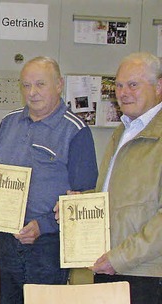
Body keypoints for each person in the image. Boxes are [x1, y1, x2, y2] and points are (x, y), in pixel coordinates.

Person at [0, 56, 98, 304]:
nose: (32, 93)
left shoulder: (75, 131)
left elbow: (83, 198)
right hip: (9, 241)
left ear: (59, 85)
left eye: (40, 84)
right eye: (26, 85)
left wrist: (43, 226)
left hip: (48, 247)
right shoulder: (9, 123)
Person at [86, 52, 162, 304]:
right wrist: (80, 203)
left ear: (158, 86)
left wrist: (121, 258)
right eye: (118, 85)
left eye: (133, 85)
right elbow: (117, 195)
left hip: (146, 272)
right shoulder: (125, 130)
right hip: (111, 264)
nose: (123, 92)